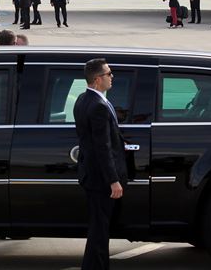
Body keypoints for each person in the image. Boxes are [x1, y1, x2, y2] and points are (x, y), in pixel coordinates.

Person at [73, 58, 128, 270]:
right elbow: (102, 148)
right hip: (100, 180)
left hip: (90, 175)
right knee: (99, 229)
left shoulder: (83, 99)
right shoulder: (98, 107)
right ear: (97, 79)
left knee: (100, 227)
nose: (112, 77)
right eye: (108, 74)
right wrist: (113, 180)